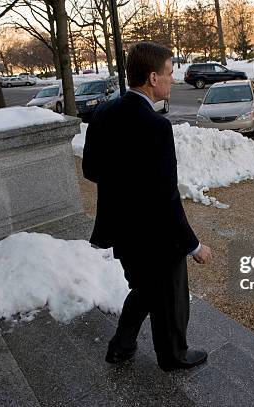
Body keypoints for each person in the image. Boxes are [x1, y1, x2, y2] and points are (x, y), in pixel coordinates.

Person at [82, 41, 213, 372]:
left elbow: (91, 171)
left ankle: (120, 347)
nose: (173, 79)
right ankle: (174, 356)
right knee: (170, 300)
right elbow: (166, 198)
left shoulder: (104, 112)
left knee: (143, 290)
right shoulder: (156, 127)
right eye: (170, 72)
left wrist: (125, 180)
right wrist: (193, 245)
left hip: (123, 233)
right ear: (153, 78)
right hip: (156, 238)